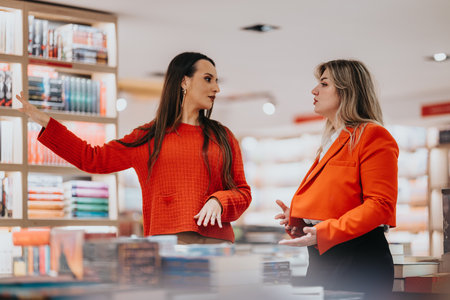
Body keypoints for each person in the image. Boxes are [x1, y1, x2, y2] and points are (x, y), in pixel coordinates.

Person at [16, 52, 251, 244]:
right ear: (184, 81)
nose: (217, 88)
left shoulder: (223, 137)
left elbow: (243, 192)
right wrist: (45, 122)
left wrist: (219, 201)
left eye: (217, 81)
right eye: (208, 79)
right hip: (168, 248)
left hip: (219, 250)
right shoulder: (149, 137)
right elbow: (93, 159)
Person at [275, 59, 398, 298]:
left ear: (347, 90)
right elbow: (339, 198)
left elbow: (380, 205)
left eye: (324, 84)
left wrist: (323, 231)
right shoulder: (331, 141)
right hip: (325, 259)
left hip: (359, 260)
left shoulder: (373, 135)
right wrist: (302, 221)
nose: (314, 90)